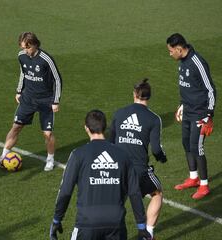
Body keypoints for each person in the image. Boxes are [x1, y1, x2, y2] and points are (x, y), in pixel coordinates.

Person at [50, 110, 151, 240]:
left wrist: (57, 219)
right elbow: (134, 192)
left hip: (87, 223)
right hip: (116, 223)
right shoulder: (123, 155)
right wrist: (141, 226)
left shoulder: (78, 154)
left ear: (86, 128)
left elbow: (65, 191)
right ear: (105, 127)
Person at [0, 32, 62, 171]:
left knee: (47, 133)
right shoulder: (21, 56)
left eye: (27, 48)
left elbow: (57, 79)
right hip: (28, 98)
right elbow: (23, 72)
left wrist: (56, 101)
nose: (25, 51)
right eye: (23, 48)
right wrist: (19, 90)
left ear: (34, 44)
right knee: (16, 127)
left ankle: (50, 159)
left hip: (45, 100)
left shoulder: (46, 59)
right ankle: (3, 156)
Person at [109, 79, 167, 239]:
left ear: (134, 94)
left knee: (116, 203)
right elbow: (156, 149)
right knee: (157, 193)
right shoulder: (154, 119)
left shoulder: (119, 113)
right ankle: (148, 233)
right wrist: (162, 158)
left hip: (117, 168)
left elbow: (109, 142)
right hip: (139, 171)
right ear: (149, 96)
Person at [167, 33, 216, 199]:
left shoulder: (198, 63)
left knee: (197, 147)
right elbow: (186, 88)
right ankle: (193, 178)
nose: (170, 53)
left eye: (171, 50)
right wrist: (181, 106)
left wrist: (208, 116)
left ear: (179, 49)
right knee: (186, 143)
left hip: (200, 114)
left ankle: (204, 185)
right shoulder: (182, 62)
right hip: (187, 111)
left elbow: (210, 90)